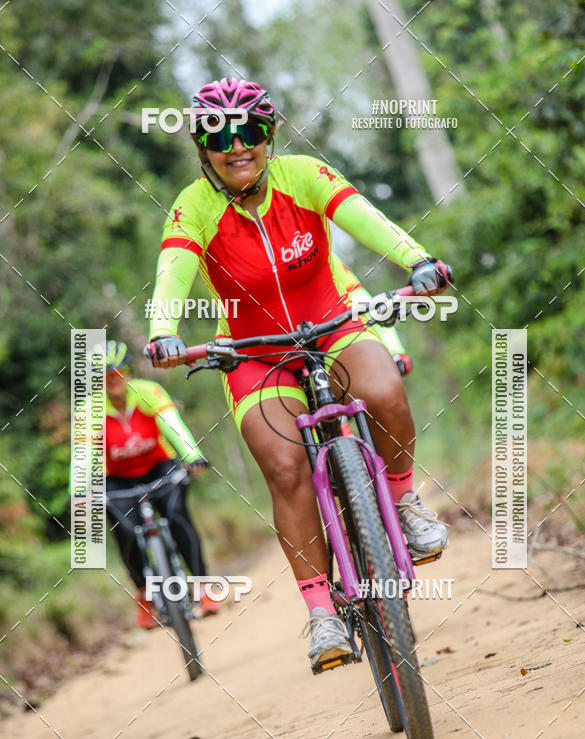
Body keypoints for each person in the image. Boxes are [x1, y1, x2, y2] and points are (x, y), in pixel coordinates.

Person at [144, 77, 453, 670]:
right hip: (254, 352)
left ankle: (403, 501)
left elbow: (365, 218)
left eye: (250, 131)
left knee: (385, 390)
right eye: (219, 134)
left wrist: (416, 260)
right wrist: (164, 331)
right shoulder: (193, 206)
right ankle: (320, 613)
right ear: (201, 146)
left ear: (270, 134)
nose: (237, 145)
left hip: (332, 322)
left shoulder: (304, 174)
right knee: (284, 465)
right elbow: (172, 275)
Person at [103, 340, 218, 627]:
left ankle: (203, 588)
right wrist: (78, 488)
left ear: (128, 371)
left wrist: (192, 455)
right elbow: (83, 454)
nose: (112, 382)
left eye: (117, 373)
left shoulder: (149, 392)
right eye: (104, 377)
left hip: (159, 468)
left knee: (178, 516)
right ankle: (145, 595)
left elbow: (171, 422)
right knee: (125, 532)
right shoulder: (89, 409)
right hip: (117, 480)